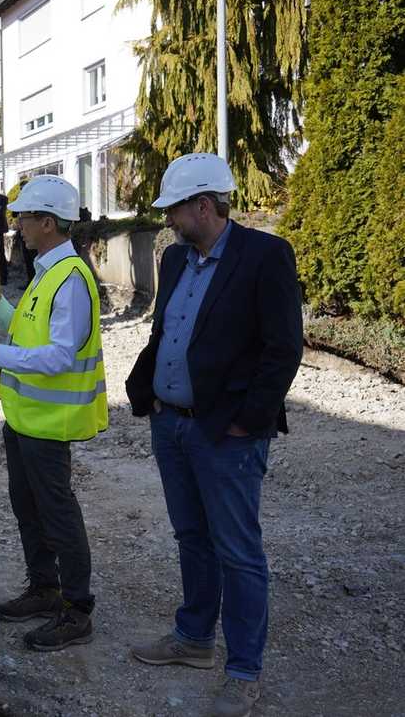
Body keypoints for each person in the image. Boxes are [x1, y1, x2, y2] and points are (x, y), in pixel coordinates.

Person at [125, 153, 303, 717]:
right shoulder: (176, 260)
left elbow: (283, 349)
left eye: (175, 209)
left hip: (226, 435)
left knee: (238, 552)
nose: (169, 220)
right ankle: (195, 639)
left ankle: (244, 670)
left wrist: (247, 421)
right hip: (172, 425)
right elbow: (166, 333)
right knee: (191, 538)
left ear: (204, 205)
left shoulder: (265, 256)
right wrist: (146, 389)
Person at [0, 175, 106, 652]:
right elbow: (27, 332)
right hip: (24, 419)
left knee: (57, 513)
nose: (15, 224)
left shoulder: (72, 279)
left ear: (49, 222)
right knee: (29, 508)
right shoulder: (48, 270)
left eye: (23, 217)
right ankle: (45, 588)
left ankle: (76, 609)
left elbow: (61, 356)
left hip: (48, 423)